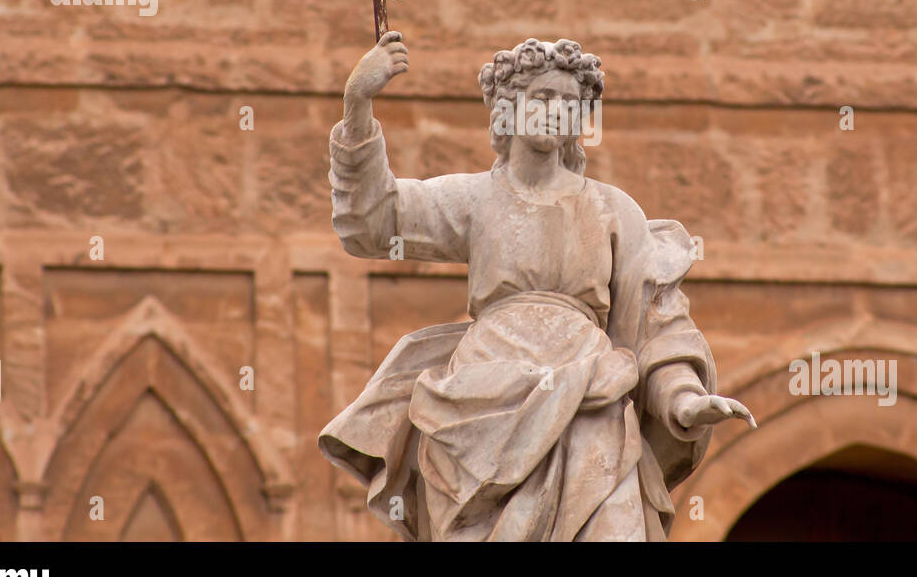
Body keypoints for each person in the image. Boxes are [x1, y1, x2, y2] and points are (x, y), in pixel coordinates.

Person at [318, 32, 755, 541]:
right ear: (509, 109)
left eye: (570, 103)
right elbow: (374, 223)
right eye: (543, 98)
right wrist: (358, 105)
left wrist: (682, 397)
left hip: (591, 402)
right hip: (483, 407)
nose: (556, 112)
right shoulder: (476, 199)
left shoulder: (614, 210)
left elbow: (656, 319)